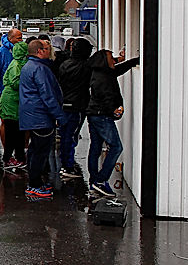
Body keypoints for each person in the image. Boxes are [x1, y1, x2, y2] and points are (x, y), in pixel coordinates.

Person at [85, 48, 139, 197]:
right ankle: (100, 181)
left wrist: (133, 61)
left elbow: (119, 68)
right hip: (102, 116)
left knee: (95, 148)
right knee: (116, 147)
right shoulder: (104, 78)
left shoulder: (101, 73)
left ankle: (94, 181)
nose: (113, 60)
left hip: (94, 114)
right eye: (111, 58)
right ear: (104, 61)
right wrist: (115, 110)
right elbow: (106, 98)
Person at [19, 39, 68, 199]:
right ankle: (34, 185)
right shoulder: (40, 68)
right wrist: (60, 116)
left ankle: (35, 181)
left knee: (35, 150)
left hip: (33, 115)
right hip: (40, 116)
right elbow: (48, 95)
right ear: (39, 51)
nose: (50, 51)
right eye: (47, 48)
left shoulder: (29, 66)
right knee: (40, 152)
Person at [56, 38, 93, 180]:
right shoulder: (86, 67)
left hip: (65, 103)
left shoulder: (65, 64)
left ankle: (65, 163)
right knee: (71, 136)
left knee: (66, 135)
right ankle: (68, 166)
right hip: (78, 104)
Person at [0, 28, 22, 151]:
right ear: (10, 38)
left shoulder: (21, 52)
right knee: (6, 123)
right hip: (5, 94)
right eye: (18, 38)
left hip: (19, 95)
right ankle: (7, 150)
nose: (21, 40)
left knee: (18, 124)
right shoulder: (0, 53)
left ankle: (19, 150)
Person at [0, 41, 29, 170]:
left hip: (15, 102)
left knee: (18, 132)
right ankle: (8, 158)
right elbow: (16, 83)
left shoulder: (19, 63)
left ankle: (19, 156)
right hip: (11, 103)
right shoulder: (17, 65)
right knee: (12, 132)